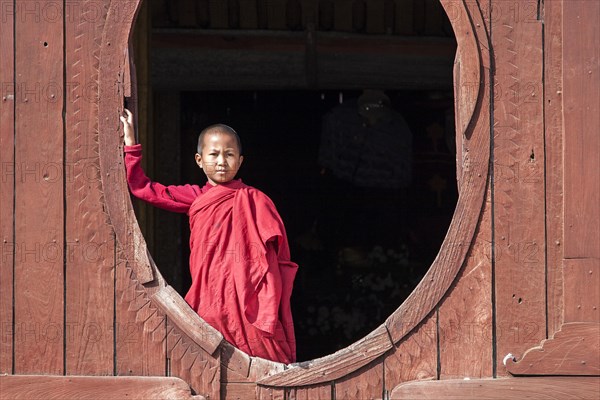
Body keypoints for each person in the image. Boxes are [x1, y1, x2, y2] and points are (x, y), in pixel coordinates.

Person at [120, 109, 297, 364]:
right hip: (210, 297)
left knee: (261, 360)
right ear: (199, 160)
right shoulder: (197, 197)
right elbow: (144, 189)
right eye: (213, 154)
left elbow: (277, 260)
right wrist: (131, 144)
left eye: (229, 154)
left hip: (250, 302)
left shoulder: (256, 200)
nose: (222, 161)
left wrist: (267, 297)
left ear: (241, 160)